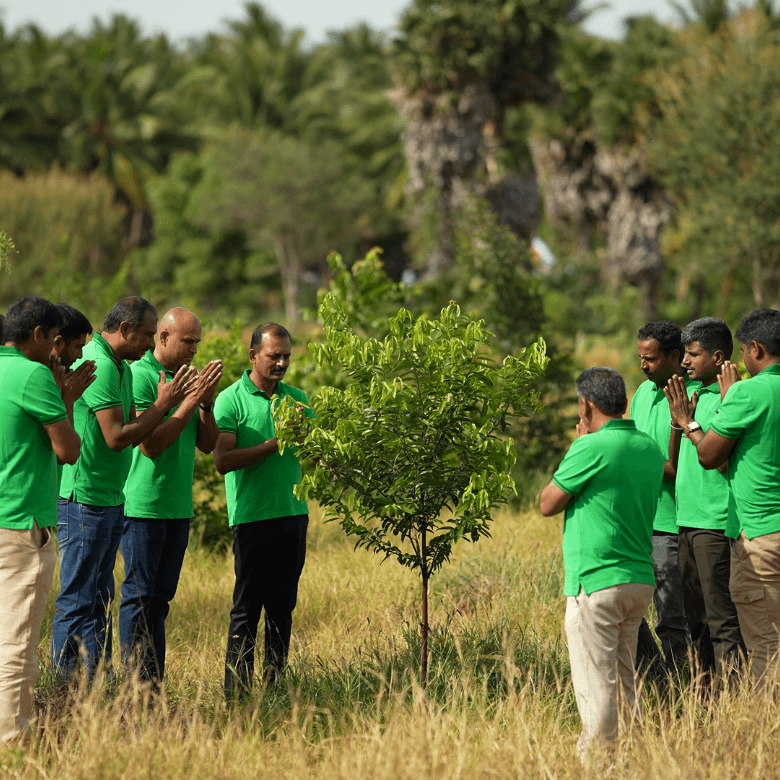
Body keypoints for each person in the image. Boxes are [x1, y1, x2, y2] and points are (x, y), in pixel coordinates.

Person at [52, 296, 195, 682]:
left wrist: (169, 408)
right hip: (84, 500)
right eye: (147, 335)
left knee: (100, 599)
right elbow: (116, 438)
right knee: (78, 600)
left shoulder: (123, 369)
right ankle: (65, 689)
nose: (150, 344)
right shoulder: (96, 362)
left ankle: (97, 685)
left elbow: (137, 433)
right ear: (126, 330)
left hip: (112, 500)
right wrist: (164, 404)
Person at [541, 367, 663, 762]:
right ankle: (632, 758)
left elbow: (547, 503)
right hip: (639, 582)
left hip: (595, 583)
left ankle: (598, 764)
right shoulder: (647, 447)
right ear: (624, 402)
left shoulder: (588, 448)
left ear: (586, 405)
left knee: (597, 683)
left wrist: (576, 446)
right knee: (624, 678)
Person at [0, 297, 88, 743]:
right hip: (21, 528)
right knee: (16, 649)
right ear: (35, 335)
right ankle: (13, 746)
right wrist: (65, 399)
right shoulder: (31, 374)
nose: (58, 351)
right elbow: (68, 450)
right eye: (55, 340)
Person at [120, 308, 222, 684]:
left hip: (178, 507)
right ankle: (134, 688)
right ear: (163, 337)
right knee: (139, 599)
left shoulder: (188, 380)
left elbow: (208, 445)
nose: (195, 349)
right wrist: (189, 400)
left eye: (198, 341)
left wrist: (207, 402)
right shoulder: (142, 375)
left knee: (160, 602)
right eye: (188, 341)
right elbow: (151, 446)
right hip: (143, 507)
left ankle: (152, 686)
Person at [213, 323, 311, 699]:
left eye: (286, 356)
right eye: (274, 356)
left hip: (292, 515)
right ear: (254, 356)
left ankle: (275, 690)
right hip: (252, 519)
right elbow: (222, 460)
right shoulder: (231, 399)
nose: (282, 363)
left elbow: (315, 449)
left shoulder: (296, 398)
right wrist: (276, 443)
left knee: (282, 608)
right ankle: (236, 696)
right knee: (247, 610)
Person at [689, 309, 780, 689]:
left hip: (760, 537)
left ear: (756, 349)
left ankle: (762, 739)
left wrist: (695, 419)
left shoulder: (748, 392)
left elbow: (710, 456)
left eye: (744, 351)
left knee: (765, 649)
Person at [664, 318, 744, 682]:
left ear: (717, 356)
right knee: (695, 622)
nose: (685, 362)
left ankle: (736, 704)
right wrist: (679, 421)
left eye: (693, 354)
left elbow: (719, 458)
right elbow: (678, 463)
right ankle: (704, 700)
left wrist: (690, 423)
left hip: (714, 524)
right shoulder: (695, 397)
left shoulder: (733, 398)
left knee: (722, 622)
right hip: (687, 521)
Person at [631, 321, 692, 677]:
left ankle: (683, 690)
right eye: (640, 357)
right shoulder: (641, 394)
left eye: (650, 358)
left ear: (673, 356)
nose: (643, 365)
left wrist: (645, 463)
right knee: (628, 612)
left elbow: (678, 469)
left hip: (671, 525)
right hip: (640, 522)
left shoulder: (690, 397)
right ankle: (659, 684)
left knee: (672, 619)